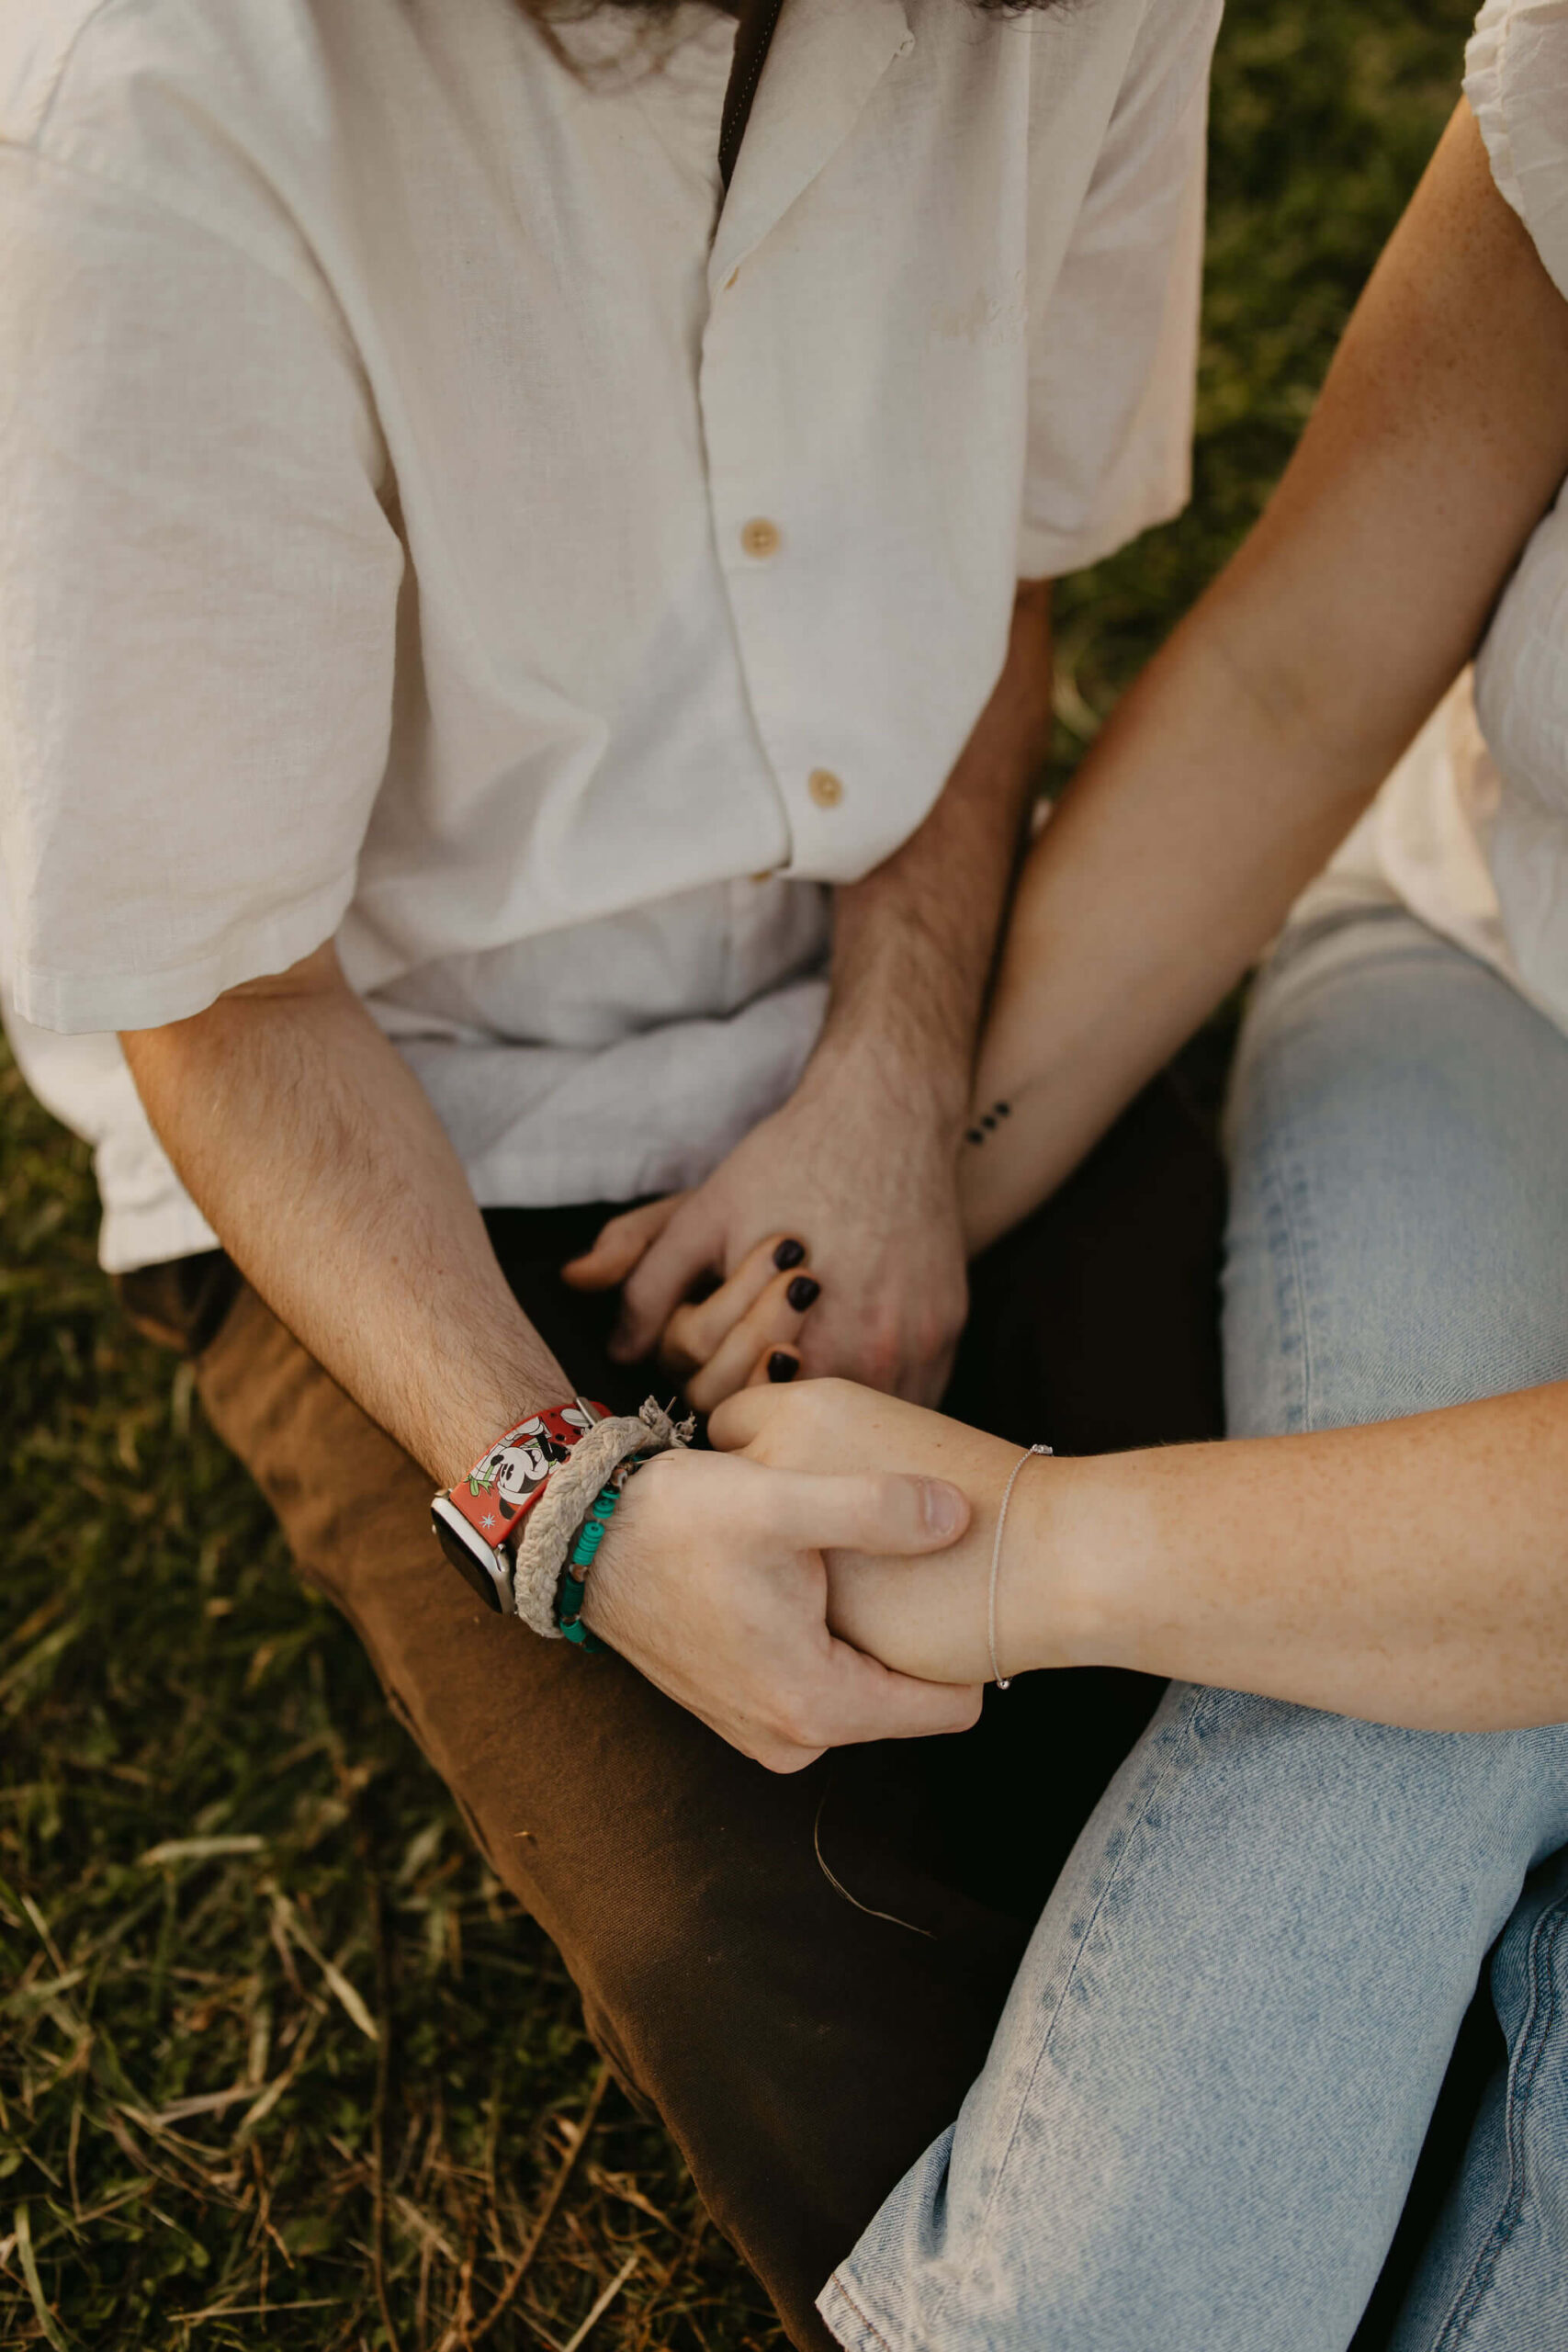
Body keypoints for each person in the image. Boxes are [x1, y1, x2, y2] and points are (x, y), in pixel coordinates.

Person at [0, 1, 1230, 2340]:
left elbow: (998, 576)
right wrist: (577, 1503)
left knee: (1312, 1673)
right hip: (401, 1117)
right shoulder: (145, 102)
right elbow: (222, 999)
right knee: (799, 1983)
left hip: (918, 985)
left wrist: (889, 1074)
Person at [648, 8, 1568, 2343]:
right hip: (1497, 990)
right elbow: (1301, 659)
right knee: (1382, 1727)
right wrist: (889, 1167)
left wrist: (1030, 1555)